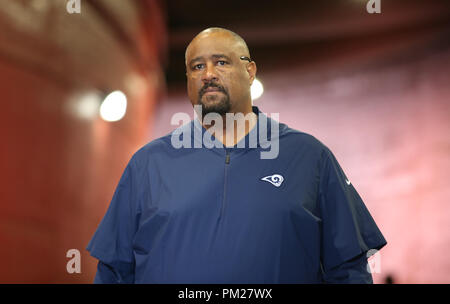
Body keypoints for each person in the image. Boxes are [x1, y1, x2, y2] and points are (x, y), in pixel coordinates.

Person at [86, 27, 387, 283]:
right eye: (197, 67)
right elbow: (114, 272)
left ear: (250, 70)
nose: (209, 75)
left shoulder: (310, 157)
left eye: (222, 62)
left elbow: (349, 270)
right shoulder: (148, 164)